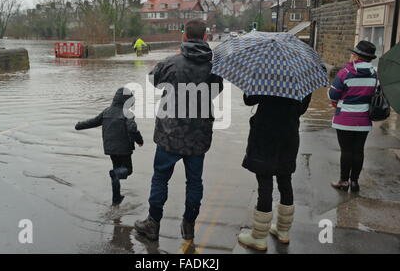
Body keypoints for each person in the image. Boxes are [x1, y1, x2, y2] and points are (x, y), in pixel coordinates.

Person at [134, 20, 223, 241]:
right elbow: (217, 89)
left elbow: (153, 80)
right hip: (198, 136)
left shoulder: (171, 62)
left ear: (184, 36)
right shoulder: (214, 66)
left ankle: (153, 223)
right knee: (194, 181)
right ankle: (189, 225)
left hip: (169, 134)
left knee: (160, 178)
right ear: (205, 37)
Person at [238, 94, 311, 251]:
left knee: (264, 182)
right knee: (285, 180)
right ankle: (283, 231)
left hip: (265, 135)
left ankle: (258, 237)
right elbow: (301, 109)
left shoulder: (266, 73)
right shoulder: (302, 78)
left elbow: (248, 99)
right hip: (289, 135)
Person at [75, 87, 144, 205]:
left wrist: (79, 125)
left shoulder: (106, 111)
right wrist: (139, 140)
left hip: (110, 149)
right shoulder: (127, 114)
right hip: (124, 149)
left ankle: (116, 199)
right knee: (127, 170)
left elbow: (93, 121)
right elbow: (132, 128)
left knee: (116, 172)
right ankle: (116, 180)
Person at [328, 41, 378, 193]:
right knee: (358, 150)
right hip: (363, 119)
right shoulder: (375, 74)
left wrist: (335, 101)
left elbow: (333, 94)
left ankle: (343, 181)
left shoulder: (346, 72)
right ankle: (355, 182)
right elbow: (375, 95)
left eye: (353, 53)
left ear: (356, 56)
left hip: (344, 119)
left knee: (346, 150)